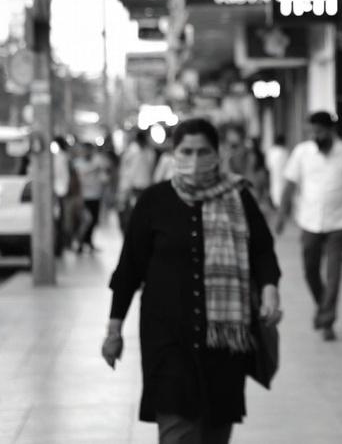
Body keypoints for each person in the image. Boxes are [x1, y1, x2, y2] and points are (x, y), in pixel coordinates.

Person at [102, 118, 282, 444]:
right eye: (187, 151)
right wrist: (114, 330)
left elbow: (263, 253)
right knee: (178, 433)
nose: (195, 161)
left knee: (215, 433)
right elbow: (128, 270)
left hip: (224, 344)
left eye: (203, 152)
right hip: (167, 340)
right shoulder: (154, 202)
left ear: (218, 154)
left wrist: (270, 292)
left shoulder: (239, 198)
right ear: (174, 154)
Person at [275, 111, 342, 342]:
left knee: (334, 273)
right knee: (310, 270)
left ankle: (327, 320)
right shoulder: (302, 153)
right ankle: (322, 305)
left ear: (330, 131)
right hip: (309, 222)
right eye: (312, 131)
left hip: (339, 222)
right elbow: (290, 184)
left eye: (320, 131)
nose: (315, 135)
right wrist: (281, 215)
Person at [117, 129, 155, 235]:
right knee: (131, 213)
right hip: (132, 187)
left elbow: (151, 169)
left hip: (146, 187)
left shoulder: (149, 152)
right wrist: (124, 188)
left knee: (144, 214)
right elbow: (125, 171)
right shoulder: (131, 151)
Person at [73, 142, 109, 253]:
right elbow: (77, 178)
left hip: (96, 195)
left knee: (93, 221)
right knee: (85, 220)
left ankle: (88, 242)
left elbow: (105, 176)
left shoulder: (99, 160)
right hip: (83, 196)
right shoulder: (77, 163)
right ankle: (80, 243)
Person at [264, 134, 289, 210]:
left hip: (274, 175)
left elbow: (268, 166)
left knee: (275, 189)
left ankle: (277, 205)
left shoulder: (271, 151)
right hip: (283, 176)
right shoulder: (285, 152)